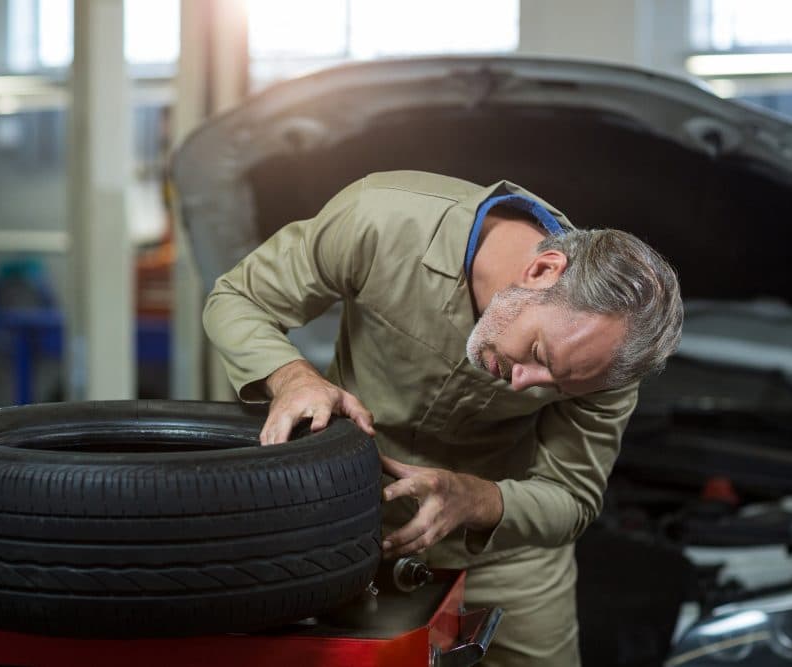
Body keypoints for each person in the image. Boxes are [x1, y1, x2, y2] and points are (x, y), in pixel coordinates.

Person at [202, 170, 683, 667]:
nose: (524, 383)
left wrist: (477, 498)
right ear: (543, 270)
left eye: (556, 386)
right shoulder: (383, 219)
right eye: (536, 351)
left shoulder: (606, 362)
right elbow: (238, 298)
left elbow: (572, 497)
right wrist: (292, 377)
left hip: (502, 558)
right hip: (344, 525)